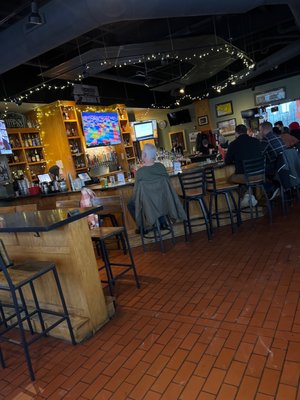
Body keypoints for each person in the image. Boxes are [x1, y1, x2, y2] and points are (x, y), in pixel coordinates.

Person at [127, 143, 186, 233]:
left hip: (149, 205)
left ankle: (142, 228)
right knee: (158, 198)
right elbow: (167, 185)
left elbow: (136, 194)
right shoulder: (161, 167)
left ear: (145, 155)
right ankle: (162, 222)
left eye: (142, 152)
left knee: (131, 204)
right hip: (164, 201)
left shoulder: (140, 172)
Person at [225, 124, 262, 207]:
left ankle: (247, 195)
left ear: (236, 133)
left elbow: (227, 161)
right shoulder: (256, 141)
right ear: (246, 132)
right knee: (247, 178)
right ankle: (250, 196)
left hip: (245, 176)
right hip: (260, 174)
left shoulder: (233, 144)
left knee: (229, 179)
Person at [259, 121, 286, 199]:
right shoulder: (277, 136)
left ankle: (272, 188)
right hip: (285, 165)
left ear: (264, 130)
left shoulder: (266, 139)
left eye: (260, 130)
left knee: (257, 173)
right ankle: (276, 185)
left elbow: (259, 154)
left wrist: (259, 140)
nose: (259, 132)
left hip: (276, 168)